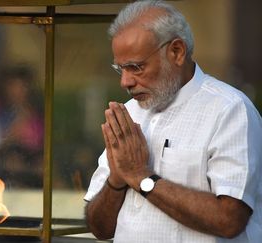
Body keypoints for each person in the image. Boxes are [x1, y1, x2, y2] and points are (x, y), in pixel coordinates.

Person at [84, 1, 262, 242]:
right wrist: (116, 180)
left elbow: (230, 220)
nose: (125, 82)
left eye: (136, 67)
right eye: (121, 69)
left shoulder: (230, 110)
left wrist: (142, 178)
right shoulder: (129, 113)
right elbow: (100, 229)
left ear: (176, 51)